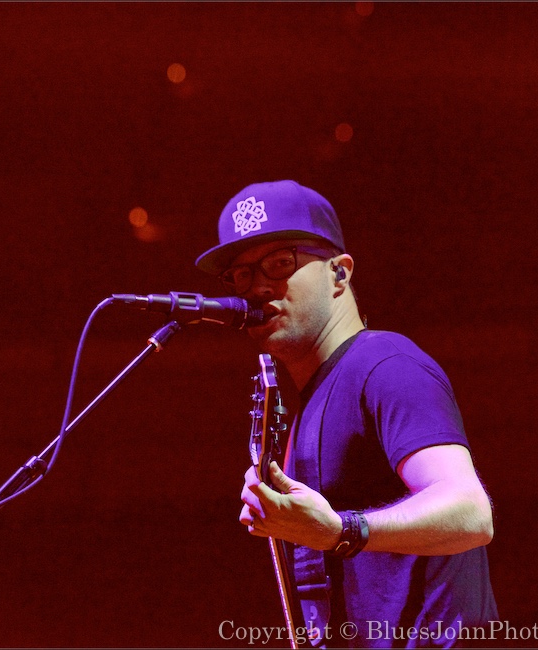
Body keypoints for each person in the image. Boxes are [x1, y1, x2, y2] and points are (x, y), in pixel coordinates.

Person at [196, 180, 497, 648]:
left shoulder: (387, 365)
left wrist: (342, 530)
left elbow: (471, 512)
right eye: (240, 274)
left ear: (340, 273)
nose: (256, 287)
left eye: (280, 263)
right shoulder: (311, 402)